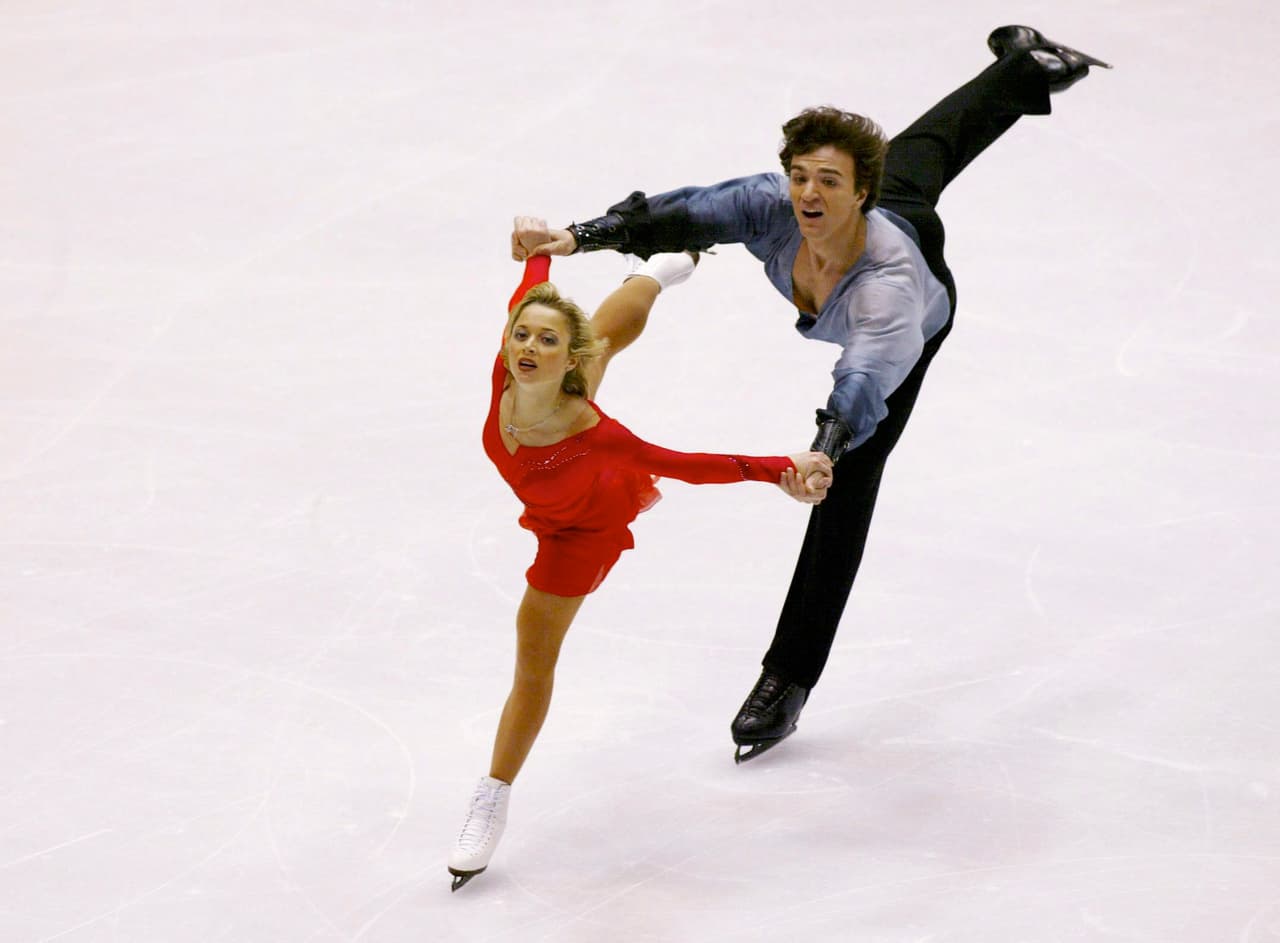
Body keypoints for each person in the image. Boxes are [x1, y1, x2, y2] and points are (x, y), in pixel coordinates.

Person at [510, 25, 1112, 762]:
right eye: (799, 176)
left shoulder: (892, 295)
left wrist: (821, 455)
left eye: (826, 181)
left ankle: (788, 675)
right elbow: (687, 212)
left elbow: (862, 380)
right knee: (922, 154)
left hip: (910, 320)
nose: (806, 193)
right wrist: (578, 236)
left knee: (847, 480)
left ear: (856, 193)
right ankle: (1031, 66)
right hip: (881, 215)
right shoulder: (779, 205)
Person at [448, 249, 834, 891]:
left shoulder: (600, 434)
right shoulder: (510, 369)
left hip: (581, 530)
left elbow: (685, 464)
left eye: (545, 341)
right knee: (593, 338)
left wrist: (777, 468)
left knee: (532, 652)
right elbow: (530, 291)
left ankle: (492, 796)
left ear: (562, 359)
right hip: (556, 463)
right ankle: (652, 272)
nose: (528, 347)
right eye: (521, 336)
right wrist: (540, 250)